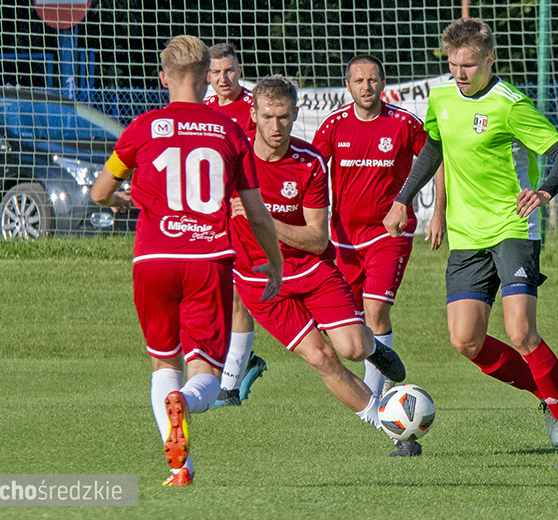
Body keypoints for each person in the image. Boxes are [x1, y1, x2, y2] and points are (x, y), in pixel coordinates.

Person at [384, 18, 558, 468]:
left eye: (470, 64)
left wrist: (545, 192)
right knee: (465, 341)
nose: (460, 73)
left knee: (520, 332)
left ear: (489, 59)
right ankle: (545, 389)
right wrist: (405, 199)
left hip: (514, 227)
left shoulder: (511, 104)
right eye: (454, 64)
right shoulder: (440, 98)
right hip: (466, 234)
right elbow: (433, 149)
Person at [91, 35, 284, 485]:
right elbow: (255, 211)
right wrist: (273, 262)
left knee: (163, 363)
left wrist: (122, 199)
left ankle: (181, 467)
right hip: (207, 257)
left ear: (163, 78)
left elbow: (99, 193)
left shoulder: (142, 128)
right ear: (205, 80)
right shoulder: (232, 132)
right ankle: (187, 401)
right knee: (206, 376)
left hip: (154, 258)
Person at [230, 74, 416, 457]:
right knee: (322, 358)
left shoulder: (310, 162)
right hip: (260, 283)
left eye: (284, 117)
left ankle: (371, 347)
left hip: (312, 272)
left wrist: (262, 219)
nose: (275, 126)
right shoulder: (233, 158)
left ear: (296, 114)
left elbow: (317, 238)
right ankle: (393, 431)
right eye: (267, 116)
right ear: (254, 115)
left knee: (351, 348)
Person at [312, 55, 444, 399]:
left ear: (383, 84)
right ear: (348, 86)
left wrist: (440, 209)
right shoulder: (333, 125)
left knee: (376, 309)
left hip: (390, 234)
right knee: (348, 326)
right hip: (343, 238)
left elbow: (436, 158)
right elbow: (309, 169)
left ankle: (373, 395)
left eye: (372, 80)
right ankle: (377, 366)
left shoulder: (404, 123)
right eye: (359, 81)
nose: (366, 87)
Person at [204, 43, 265, 406]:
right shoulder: (204, 110)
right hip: (210, 216)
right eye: (215, 72)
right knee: (216, 297)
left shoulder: (255, 109)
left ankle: (229, 387)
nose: (222, 78)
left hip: (245, 214)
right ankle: (243, 364)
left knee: (241, 298)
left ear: (239, 70)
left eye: (229, 70)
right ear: (206, 76)